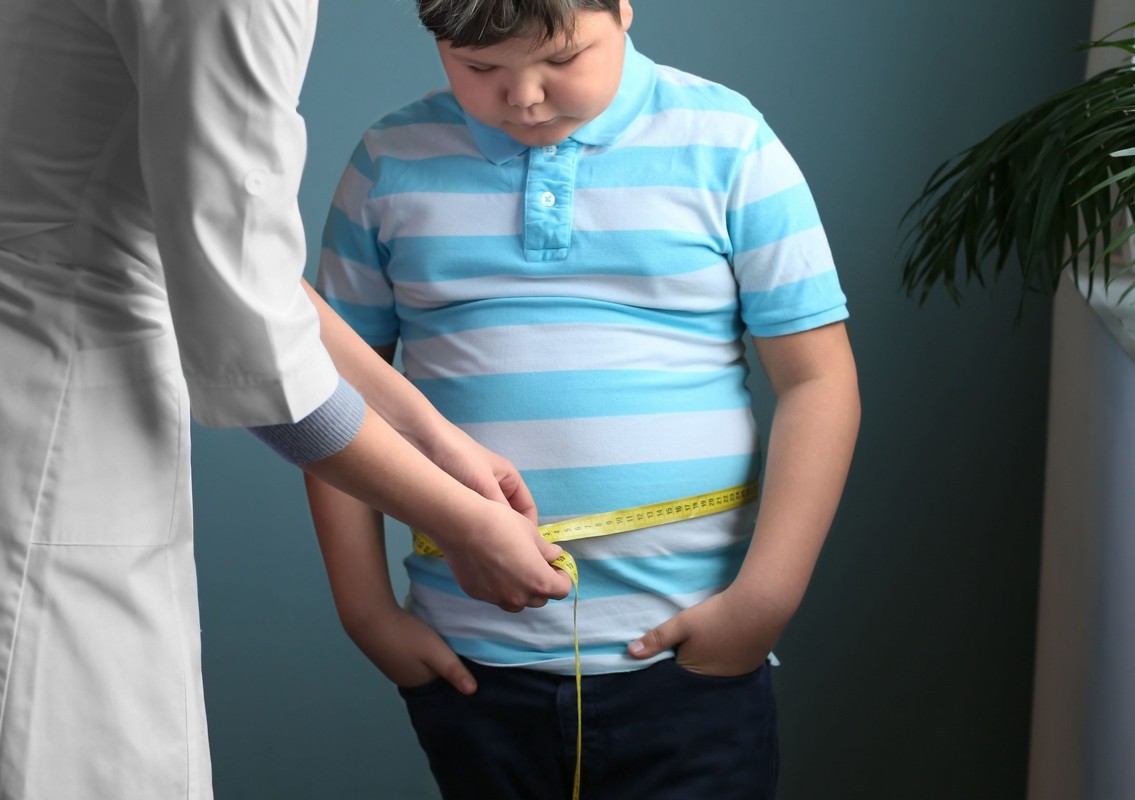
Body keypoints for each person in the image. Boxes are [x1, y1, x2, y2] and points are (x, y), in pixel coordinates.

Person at [0, 1, 572, 798]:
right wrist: (457, 519)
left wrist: (434, 437)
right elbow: (251, 335)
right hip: (47, 421)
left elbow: (240, 269)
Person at [309, 0, 860, 797]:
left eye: (561, 60)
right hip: (471, 658)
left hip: (690, 652)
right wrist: (365, 613)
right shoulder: (389, 160)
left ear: (622, 10)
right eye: (479, 69)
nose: (523, 97)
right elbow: (325, 390)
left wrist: (765, 600)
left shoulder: (729, 143)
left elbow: (817, 380)